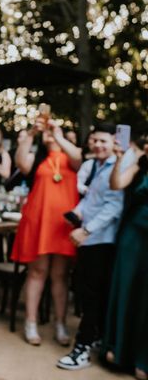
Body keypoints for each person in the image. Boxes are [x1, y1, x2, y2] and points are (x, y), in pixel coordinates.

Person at [57, 123, 125, 371]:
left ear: (114, 143)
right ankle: (95, 338)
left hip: (102, 239)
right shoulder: (93, 165)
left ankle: (82, 348)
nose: (98, 145)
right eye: (94, 140)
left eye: (103, 141)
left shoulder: (117, 166)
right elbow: (89, 200)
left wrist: (86, 229)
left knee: (93, 295)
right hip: (87, 237)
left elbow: (113, 207)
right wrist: (76, 214)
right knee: (88, 293)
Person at [11, 116, 82, 347]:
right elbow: (21, 163)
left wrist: (58, 136)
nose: (49, 133)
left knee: (60, 275)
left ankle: (60, 323)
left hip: (63, 225)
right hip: (39, 221)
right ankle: (30, 322)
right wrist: (31, 134)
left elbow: (79, 159)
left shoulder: (70, 157)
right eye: (47, 132)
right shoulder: (38, 156)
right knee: (37, 272)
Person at [102, 130, 148, 380]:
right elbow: (116, 184)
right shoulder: (139, 166)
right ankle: (119, 350)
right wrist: (120, 158)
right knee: (128, 287)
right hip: (133, 235)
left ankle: (143, 358)